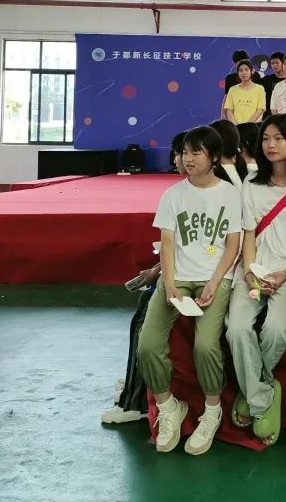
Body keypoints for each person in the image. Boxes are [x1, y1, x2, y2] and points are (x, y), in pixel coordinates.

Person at [137, 125, 243, 455]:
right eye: (184, 152)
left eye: (196, 152)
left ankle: (212, 411)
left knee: (206, 346)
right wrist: (169, 284)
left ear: (214, 157)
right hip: (178, 277)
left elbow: (233, 245)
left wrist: (214, 282)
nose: (188, 158)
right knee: (148, 344)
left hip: (216, 277)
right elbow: (167, 244)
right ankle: (169, 407)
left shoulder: (230, 194)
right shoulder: (173, 196)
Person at [226, 115, 286, 447]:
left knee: (276, 329)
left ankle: (251, 390)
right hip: (254, 270)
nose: (271, 144)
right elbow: (249, 234)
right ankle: (263, 395)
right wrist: (250, 272)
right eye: (266, 138)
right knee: (237, 327)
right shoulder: (251, 184)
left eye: (279, 138)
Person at [102, 131, 188, 425]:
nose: (179, 159)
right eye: (180, 153)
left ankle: (137, 400)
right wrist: (157, 269)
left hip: (195, 279)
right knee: (143, 307)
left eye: (186, 153)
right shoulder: (182, 192)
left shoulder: (219, 192)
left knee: (144, 319)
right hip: (176, 271)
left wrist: (159, 272)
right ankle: (132, 385)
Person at [223, 58, 267, 124]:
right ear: (237, 73)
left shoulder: (260, 89)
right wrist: (236, 125)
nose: (244, 73)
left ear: (252, 71)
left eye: (246, 70)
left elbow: (260, 109)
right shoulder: (232, 89)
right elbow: (229, 110)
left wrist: (247, 125)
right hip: (237, 127)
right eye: (240, 70)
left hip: (254, 126)